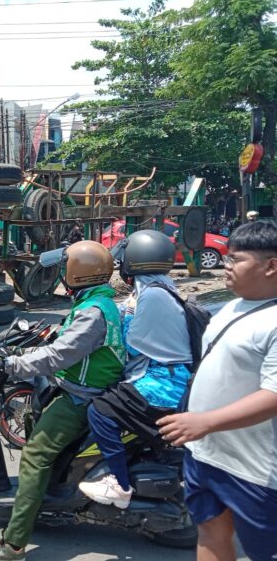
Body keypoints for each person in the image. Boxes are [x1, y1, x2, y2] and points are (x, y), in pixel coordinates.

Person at [0, 240, 125, 561]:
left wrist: (10, 366)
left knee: (34, 456)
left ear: (77, 273)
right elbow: (65, 340)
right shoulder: (94, 303)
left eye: (63, 268)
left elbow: (59, 355)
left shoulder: (94, 312)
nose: (59, 275)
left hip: (81, 398)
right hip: (81, 388)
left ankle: (13, 543)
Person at [157, 220, 277, 561]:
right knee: (210, 533)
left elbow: (274, 395)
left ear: (271, 266)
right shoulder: (233, 306)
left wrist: (205, 421)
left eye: (235, 259)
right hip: (206, 454)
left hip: (255, 468)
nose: (225, 264)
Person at [78, 230, 192, 509]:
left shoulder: (152, 296)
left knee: (100, 411)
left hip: (161, 383)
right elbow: (129, 311)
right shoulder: (160, 288)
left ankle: (119, 483)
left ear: (135, 263)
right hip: (168, 376)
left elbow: (133, 341)